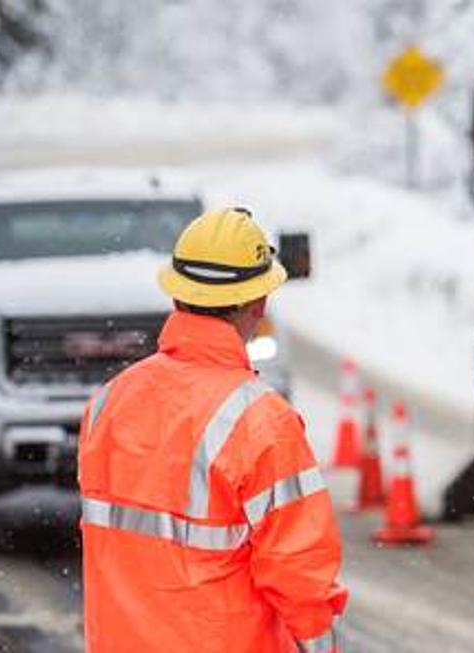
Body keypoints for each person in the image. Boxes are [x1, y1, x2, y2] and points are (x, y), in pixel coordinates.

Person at [78, 207, 347, 652]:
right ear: (258, 304)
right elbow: (300, 576)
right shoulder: (263, 422)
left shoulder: (109, 401)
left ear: (176, 296)